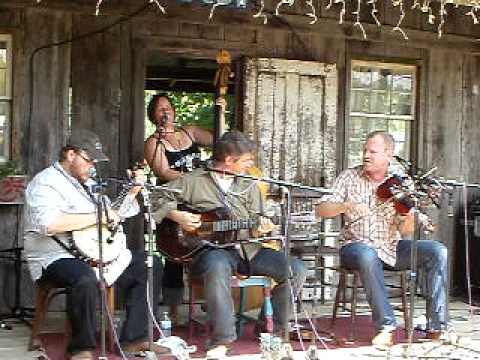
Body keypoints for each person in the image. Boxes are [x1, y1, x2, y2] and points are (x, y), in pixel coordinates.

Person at [151, 130, 306, 358]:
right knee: (217, 266)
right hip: (210, 250)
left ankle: (270, 329)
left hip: (247, 249)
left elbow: (257, 221)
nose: (251, 165)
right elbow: (155, 199)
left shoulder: (249, 184)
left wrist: (261, 228)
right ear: (229, 161)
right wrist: (176, 216)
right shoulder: (193, 181)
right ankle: (222, 340)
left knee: (296, 270)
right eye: (246, 160)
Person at [24, 129, 165, 360]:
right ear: (71, 155)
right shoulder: (46, 183)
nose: (92, 167)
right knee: (84, 278)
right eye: (89, 160)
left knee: (149, 264)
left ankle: (134, 338)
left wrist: (133, 191)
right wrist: (99, 217)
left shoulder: (89, 185)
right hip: (54, 255)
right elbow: (49, 224)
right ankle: (81, 348)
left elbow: (113, 214)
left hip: (92, 250)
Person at [316, 130, 448, 346]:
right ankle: (386, 325)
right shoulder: (349, 176)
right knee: (368, 255)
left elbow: (405, 230)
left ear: (388, 154)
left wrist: (408, 214)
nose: (366, 155)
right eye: (365, 150)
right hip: (355, 247)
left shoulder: (399, 184)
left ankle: (436, 326)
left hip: (390, 247)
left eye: (372, 151)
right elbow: (322, 209)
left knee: (437, 251)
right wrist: (345, 205)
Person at [144, 94, 214, 324]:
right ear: (154, 116)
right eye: (159, 109)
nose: (165, 112)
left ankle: (210, 301)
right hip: (173, 199)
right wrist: (194, 178)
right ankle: (173, 311)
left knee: (209, 241)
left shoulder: (189, 132)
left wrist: (220, 109)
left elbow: (219, 141)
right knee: (174, 254)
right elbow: (164, 172)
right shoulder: (153, 143)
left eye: (168, 108)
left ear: (174, 111)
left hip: (199, 197)